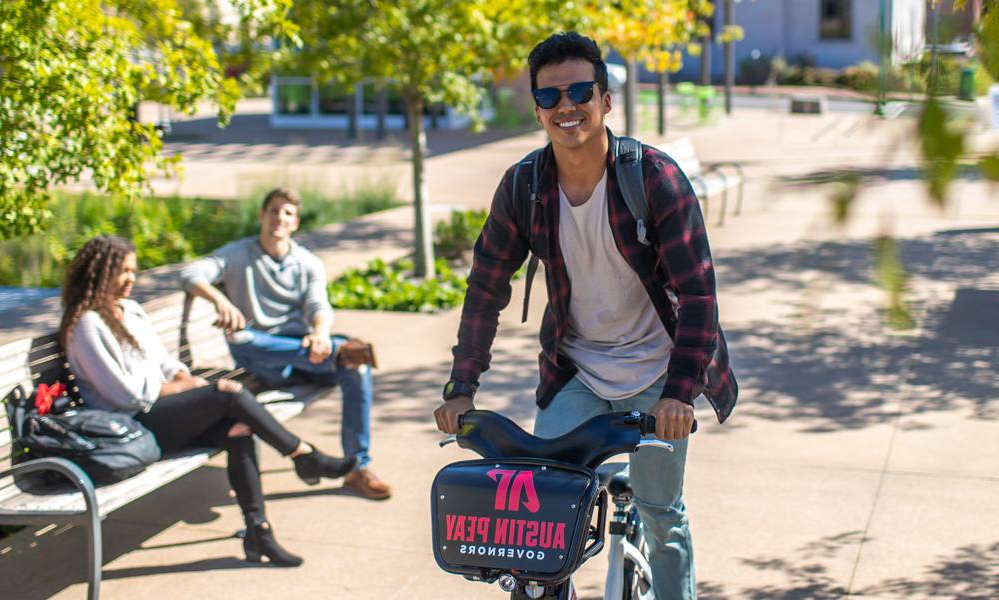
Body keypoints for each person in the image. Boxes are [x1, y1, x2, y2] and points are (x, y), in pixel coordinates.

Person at [433, 32, 737, 599]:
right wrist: (461, 386)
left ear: (605, 100)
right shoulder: (525, 186)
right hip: (576, 370)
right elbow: (485, 287)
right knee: (544, 517)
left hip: (659, 376)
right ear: (537, 109)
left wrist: (679, 393)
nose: (565, 106)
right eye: (550, 97)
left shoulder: (653, 178)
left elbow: (698, 295)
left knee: (659, 513)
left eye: (579, 91)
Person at [62, 235, 357, 567]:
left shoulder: (129, 310)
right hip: (130, 426)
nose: (131, 279)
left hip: (159, 415)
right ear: (99, 271)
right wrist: (175, 389)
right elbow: (124, 394)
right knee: (227, 393)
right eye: (122, 271)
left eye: (133, 270)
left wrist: (180, 378)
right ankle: (303, 454)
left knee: (239, 428)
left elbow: (162, 360)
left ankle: (259, 530)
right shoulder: (87, 324)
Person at [181, 187, 392, 500]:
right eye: (274, 211)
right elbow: (190, 273)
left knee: (357, 369)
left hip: (307, 354)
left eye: (287, 213)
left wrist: (320, 334)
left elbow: (318, 305)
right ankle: (338, 351)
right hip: (262, 357)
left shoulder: (307, 263)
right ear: (261, 216)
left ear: (295, 222)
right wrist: (219, 300)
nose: (279, 218)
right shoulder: (238, 253)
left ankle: (357, 468)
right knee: (241, 337)